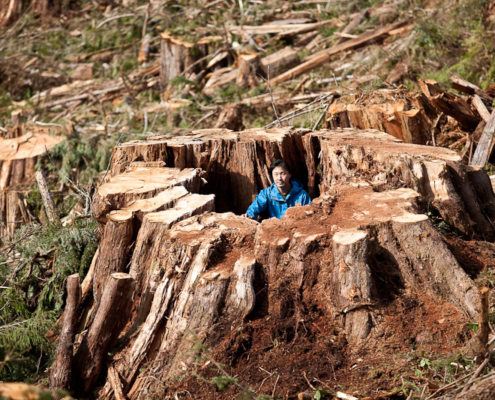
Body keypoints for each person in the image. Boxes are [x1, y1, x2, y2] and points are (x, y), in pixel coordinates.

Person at [243, 159, 311, 220]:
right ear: (272, 176)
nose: (279, 178)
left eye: (283, 174)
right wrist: (249, 215)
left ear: (289, 174)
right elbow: (256, 206)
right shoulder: (266, 194)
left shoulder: (302, 195)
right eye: (276, 174)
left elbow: (309, 215)